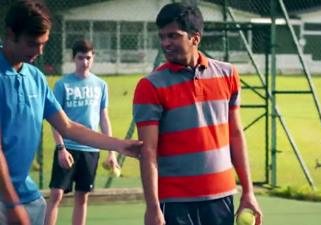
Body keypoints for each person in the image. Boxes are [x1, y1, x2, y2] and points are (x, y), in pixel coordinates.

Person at [0, 1, 142, 225]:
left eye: (44, 44)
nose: (39, 51)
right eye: (32, 43)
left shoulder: (35, 78)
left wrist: (118, 145)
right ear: (10, 34)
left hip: (24, 195)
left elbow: (68, 126)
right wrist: (11, 205)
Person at [133, 3, 262, 225]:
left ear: (195, 38)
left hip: (221, 196)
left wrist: (248, 191)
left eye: (173, 36)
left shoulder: (228, 74)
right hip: (174, 202)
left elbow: (235, 135)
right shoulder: (149, 86)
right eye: (162, 37)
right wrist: (153, 207)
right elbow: (148, 151)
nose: (166, 43)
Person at [43, 39, 119, 225]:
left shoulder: (101, 85)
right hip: (67, 147)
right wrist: (61, 148)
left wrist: (111, 152)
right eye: (80, 58)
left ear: (93, 58)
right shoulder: (62, 84)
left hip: (91, 149)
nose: (84, 62)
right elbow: (55, 120)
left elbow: (104, 118)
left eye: (88, 58)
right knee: (56, 194)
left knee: (82, 197)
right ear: (73, 58)